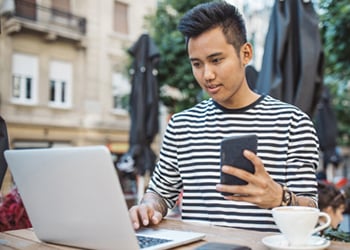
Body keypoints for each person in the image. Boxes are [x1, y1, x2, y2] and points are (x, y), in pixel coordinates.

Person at [129, 1, 319, 232]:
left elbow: (310, 210)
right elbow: (160, 194)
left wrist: (280, 197)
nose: (207, 75)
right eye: (197, 64)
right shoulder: (181, 125)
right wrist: (148, 207)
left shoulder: (293, 123)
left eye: (216, 60)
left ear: (245, 53)